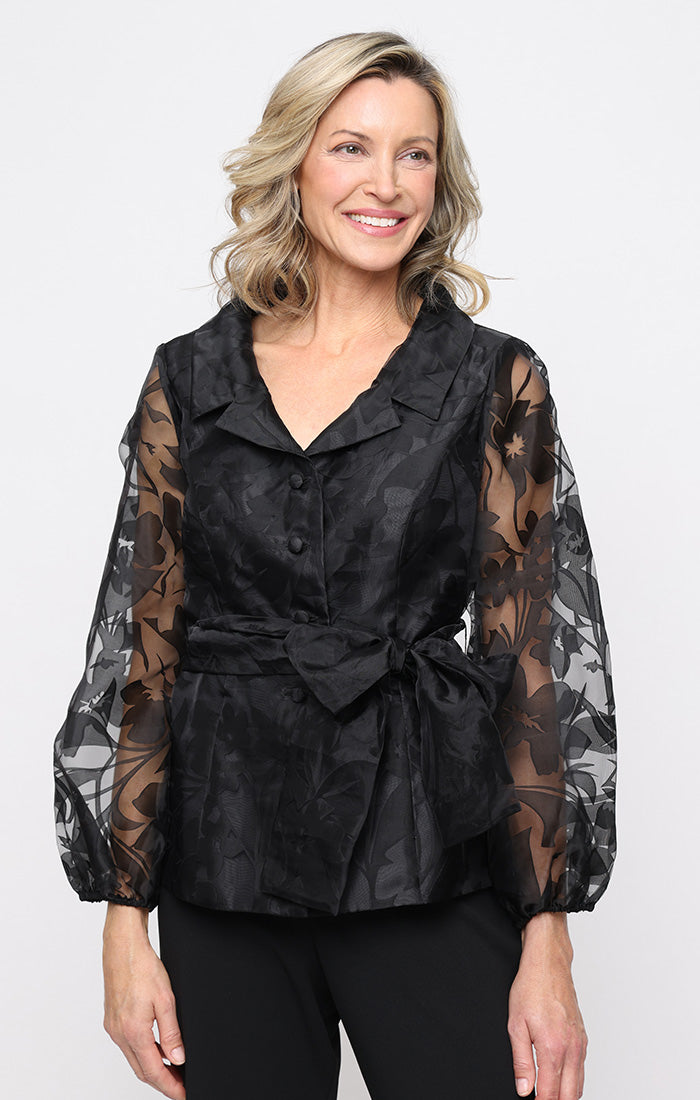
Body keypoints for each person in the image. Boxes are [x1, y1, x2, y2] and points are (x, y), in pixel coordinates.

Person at [52, 30, 617, 1100]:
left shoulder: (491, 379)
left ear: (439, 179)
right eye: (352, 146)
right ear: (296, 163)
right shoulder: (190, 379)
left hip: (425, 849)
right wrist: (124, 922)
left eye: (415, 153)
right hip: (222, 869)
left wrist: (547, 937)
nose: (385, 182)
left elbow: (537, 658)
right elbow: (139, 646)